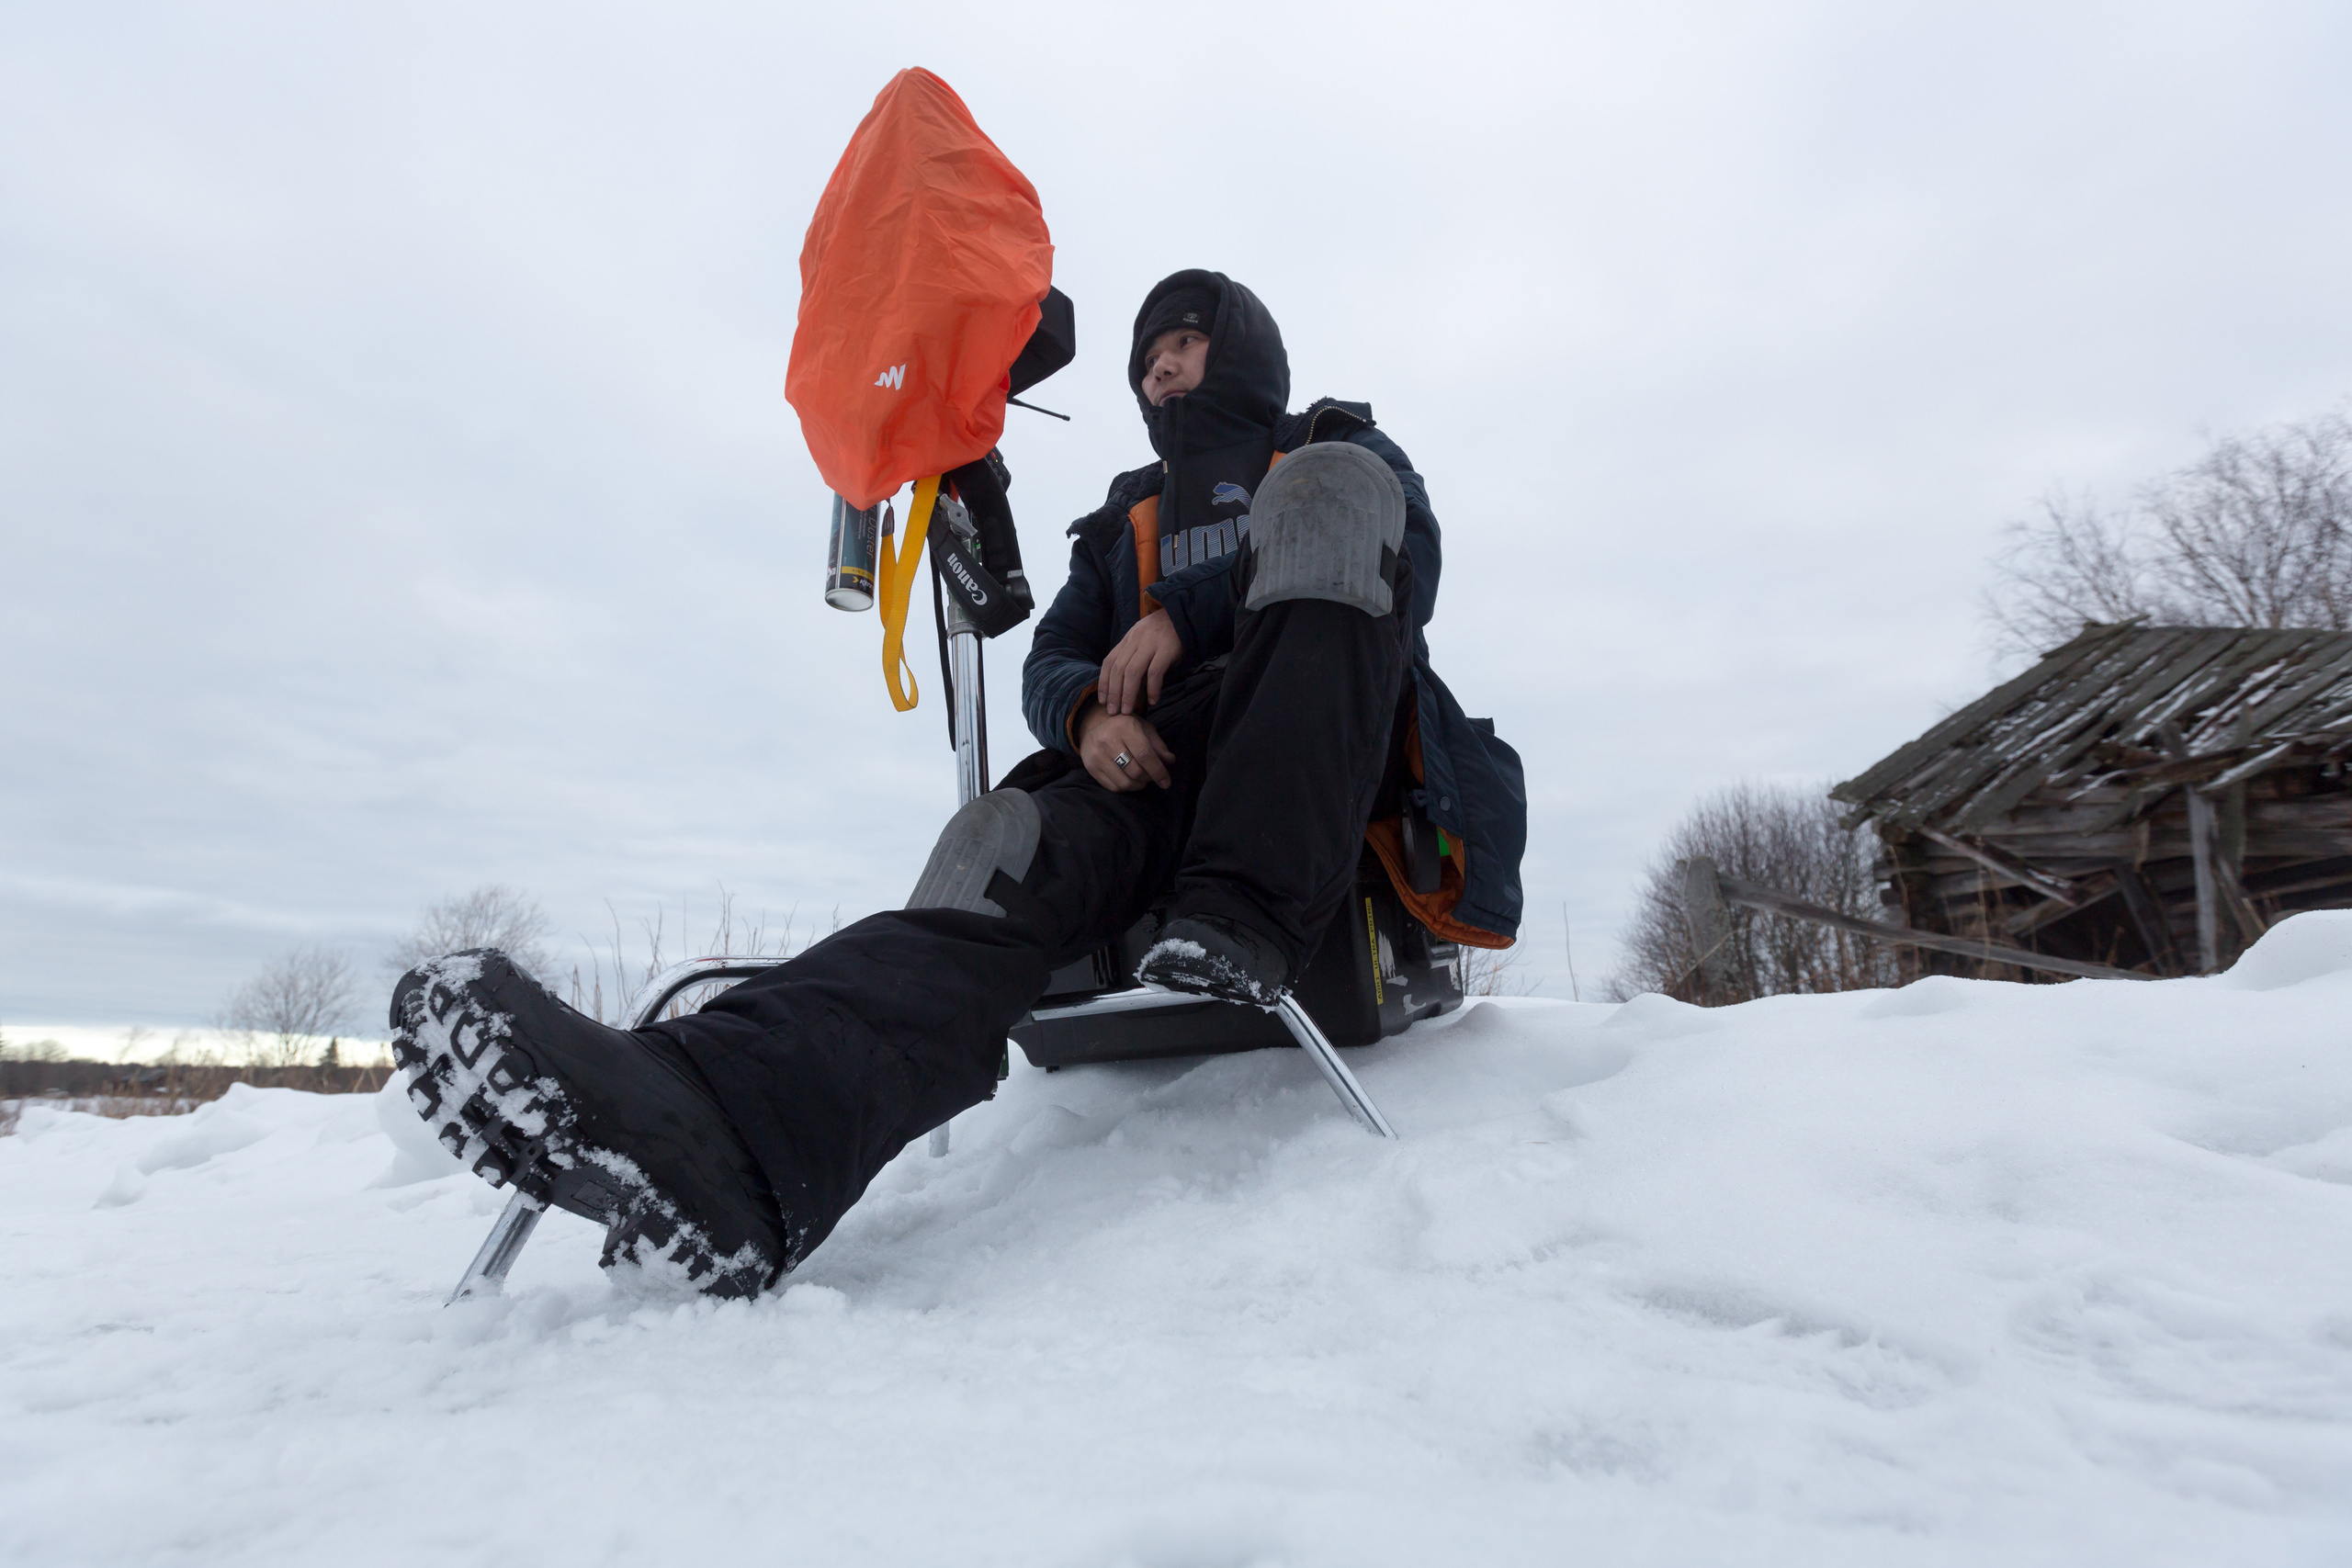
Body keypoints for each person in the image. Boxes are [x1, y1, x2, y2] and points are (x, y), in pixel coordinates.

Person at [390, 269, 1527, 1298]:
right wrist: (1082, 718)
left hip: (1312, 744)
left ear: (1240, 349)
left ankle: (1248, 912)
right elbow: (1053, 660)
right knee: (1000, 835)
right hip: (1152, 769)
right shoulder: (1123, 514)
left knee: (1331, 491)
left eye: (1182, 343)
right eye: (1146, 357)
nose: (1159, 368)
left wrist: (1187, 615)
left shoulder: (1329, 444)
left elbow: (1403, 559)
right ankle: (730, 1135)